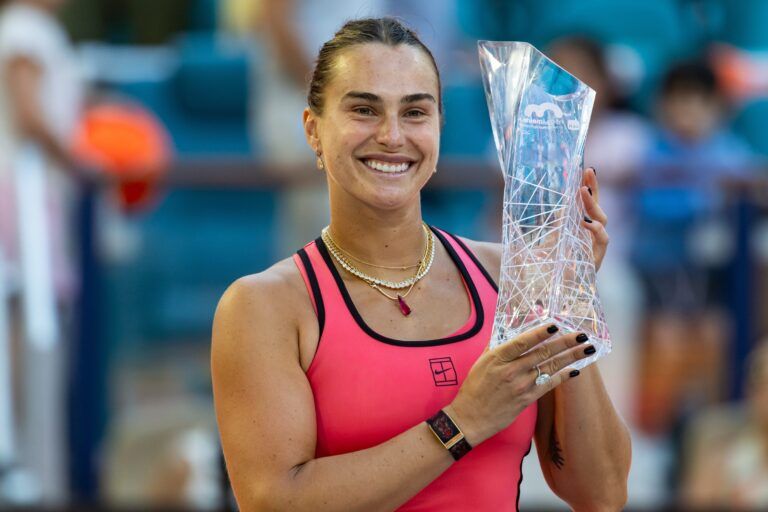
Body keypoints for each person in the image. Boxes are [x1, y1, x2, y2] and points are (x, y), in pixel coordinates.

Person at [212, 18, 630, 511]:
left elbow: (600, 494)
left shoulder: (506, 275)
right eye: (364, 110)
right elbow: (274, 502)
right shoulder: (265, 306)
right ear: (313, 130)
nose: (392, 135)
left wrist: (567, 294)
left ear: (438, 128)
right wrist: (462, 422)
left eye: (414, 112)